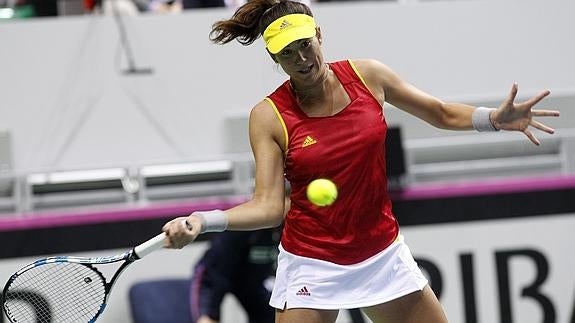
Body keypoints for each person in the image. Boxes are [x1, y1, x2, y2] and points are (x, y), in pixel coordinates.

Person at [161, 0, 560, 322]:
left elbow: (438, 112)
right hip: (312, 261)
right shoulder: (268, 116)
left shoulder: (368, 75)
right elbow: (267, 206)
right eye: (287, 54)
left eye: (305, 44)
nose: (302, 59)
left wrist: (492, 118)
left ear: (319, 35)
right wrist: (204, 221)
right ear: (275, 60)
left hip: (380, 253)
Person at [190, 229, 280, 323]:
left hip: (250, 280)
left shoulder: (283, 230)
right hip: (215, 275)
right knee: (207, 320)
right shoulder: (244, 228)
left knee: (271, 315)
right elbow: (218, 272)